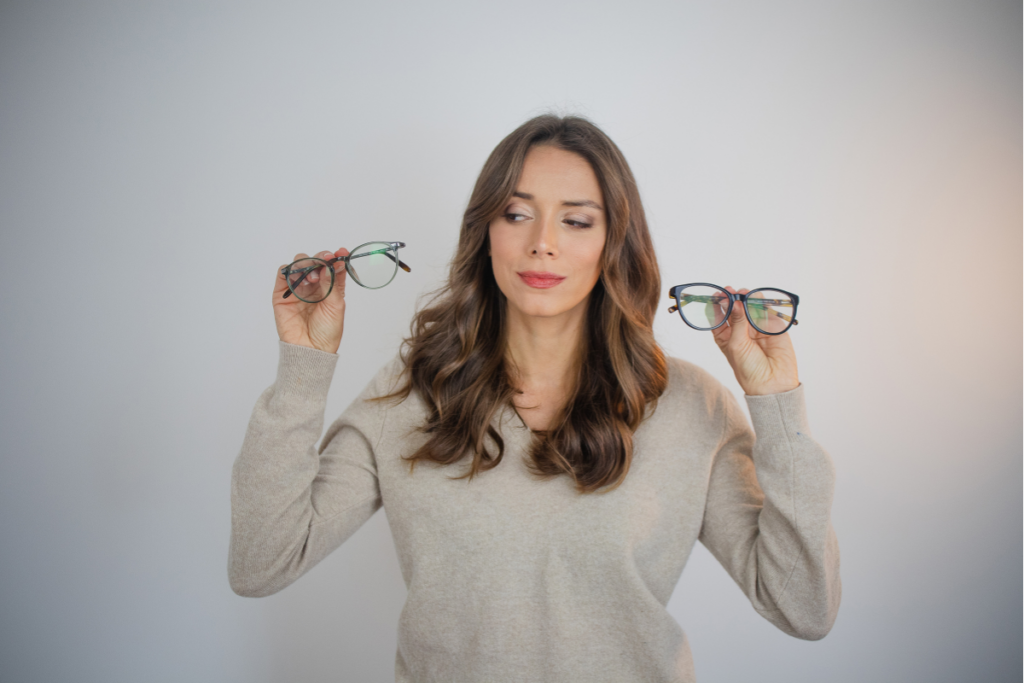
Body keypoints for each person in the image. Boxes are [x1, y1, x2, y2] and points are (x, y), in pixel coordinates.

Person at [229, 115, 841, 682]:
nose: (542, 243)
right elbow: (263, 562)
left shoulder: (691, 406)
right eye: (517, 214)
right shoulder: (411, 394)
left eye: (576, 221)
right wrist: (303, 370)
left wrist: (776, 400)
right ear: (485, 232)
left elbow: (803, 607)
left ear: (613, 243)